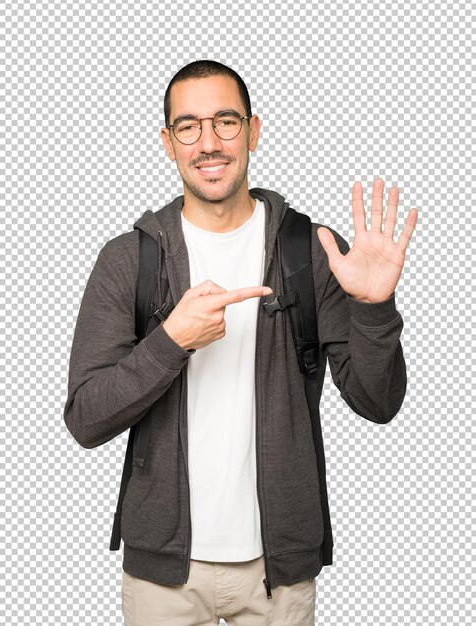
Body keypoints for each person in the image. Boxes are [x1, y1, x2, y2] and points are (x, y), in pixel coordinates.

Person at [63, 59, 418, 626]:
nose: (209, 142)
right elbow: (85, 418)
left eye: (226, 122)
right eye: (189, 126)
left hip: (280, 571)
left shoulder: (312, 251)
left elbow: (378, 404)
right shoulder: (128, 259)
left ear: (254, 131)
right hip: (163, 577)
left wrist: (373, 307)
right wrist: (171, 340)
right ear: (167, 142)